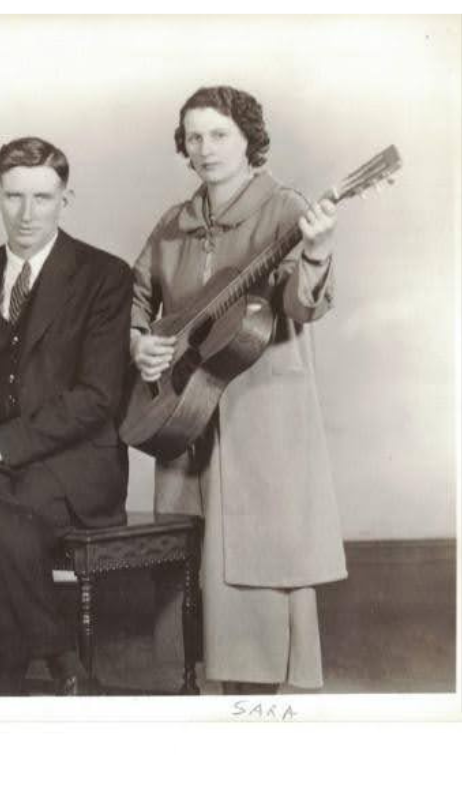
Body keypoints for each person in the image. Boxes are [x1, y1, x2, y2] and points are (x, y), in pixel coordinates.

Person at [131, 85, 345, 694]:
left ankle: (255, 702)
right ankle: (189, 685)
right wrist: (138, 341)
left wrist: (318, 251)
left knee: (256, 561)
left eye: (219, 134)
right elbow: (138, 296)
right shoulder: (174, 221)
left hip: (260, 413)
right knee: (183, 557)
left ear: (249, 139)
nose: (205, 148)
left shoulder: (285, 210)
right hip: (182, 408)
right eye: (194, 137)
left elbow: (303, 306)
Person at [0, 136, 133, 696]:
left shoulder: (105, 276)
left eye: (43, 197)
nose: (27, 213)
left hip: (75, 467)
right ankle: (57, 658)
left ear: (66, 198)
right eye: (13, 197)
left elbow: (96, 399)